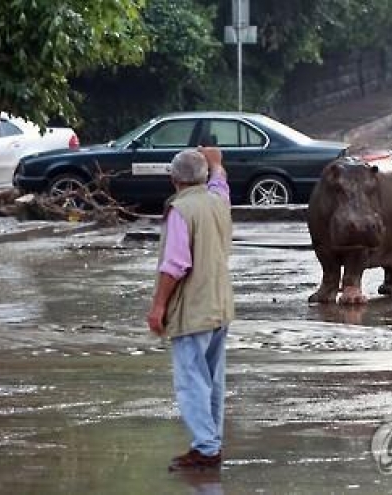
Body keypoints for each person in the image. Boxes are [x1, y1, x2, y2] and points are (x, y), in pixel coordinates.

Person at [147, 146, 234, 472]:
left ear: (173, 179)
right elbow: (220, 183)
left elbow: (175, 265)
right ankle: (210, 443)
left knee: (191, 380)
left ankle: (206, 448)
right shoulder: (218, 201)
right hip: (220, 305)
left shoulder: (181, 210)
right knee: (212, 379)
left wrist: (158, 307)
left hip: (193, 309)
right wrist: (216, 163)